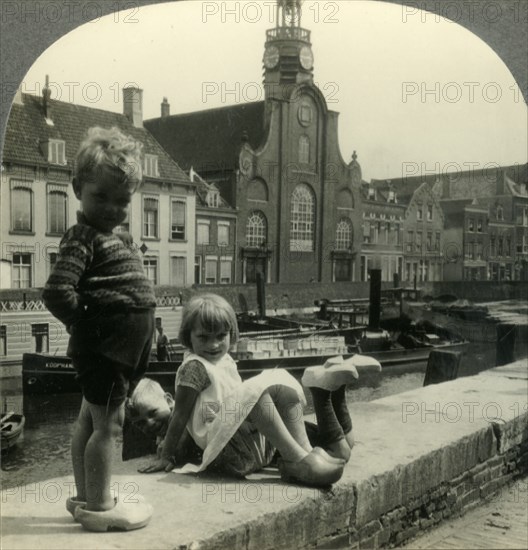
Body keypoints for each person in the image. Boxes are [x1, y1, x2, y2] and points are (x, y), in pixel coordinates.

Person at [42, 126, 155, 532]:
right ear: (77, 188)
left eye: (122, 201)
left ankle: (86, 496)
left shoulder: (115, 236)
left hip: (118, 348)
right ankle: (101, 507)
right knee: (109, 425)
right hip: (105, 348)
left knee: (89, 421)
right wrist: (89, 326)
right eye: (100, 197)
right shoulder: (82, 237)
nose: (111, 208)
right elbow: (57, 291)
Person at [134, 294, 360, 486]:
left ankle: (303, 452)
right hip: (226, 453)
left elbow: (223, 402)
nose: (213, 345)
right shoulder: (194, 367)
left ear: (231, 335)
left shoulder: (225, 361)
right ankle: (299, 461)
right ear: (188, 337)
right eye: (203, 337)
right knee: (254, 394)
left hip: (246, 444)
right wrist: (166, 455)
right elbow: (181, 415)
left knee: (280, 385)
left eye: (221, 336)